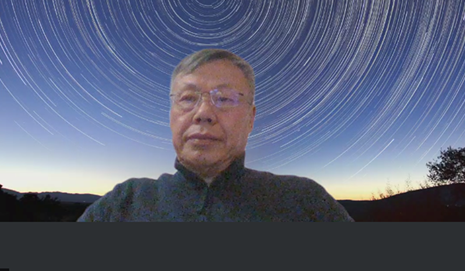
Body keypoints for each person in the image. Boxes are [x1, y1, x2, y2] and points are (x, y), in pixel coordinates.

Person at [78, 49, 354, 222]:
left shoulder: (303, 202)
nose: (203, 113)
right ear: (171, 115)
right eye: (188, 98)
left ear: (251, 119)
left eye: (224, 98)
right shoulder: (124, 203)